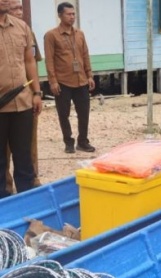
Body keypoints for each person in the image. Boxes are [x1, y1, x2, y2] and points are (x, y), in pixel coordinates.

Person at [0, 0, 42, 198]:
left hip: (23, 102)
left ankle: (26, 199)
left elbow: (29, 61)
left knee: (24, 156)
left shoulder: (21, 27)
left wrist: (37, 92)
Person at [44, 2, 95, 154]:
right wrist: (52, 81)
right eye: (69, 14)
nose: (72, 17)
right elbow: (49, 59)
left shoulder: (80, 34)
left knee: (84, 112)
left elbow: (85, 55)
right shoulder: (51, 35)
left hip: (81, 80)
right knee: (63, 114)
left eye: (73, 14)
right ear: (60, 15)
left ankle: (83, 141)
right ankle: (68, 142)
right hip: (63, 82)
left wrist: (90, 75)